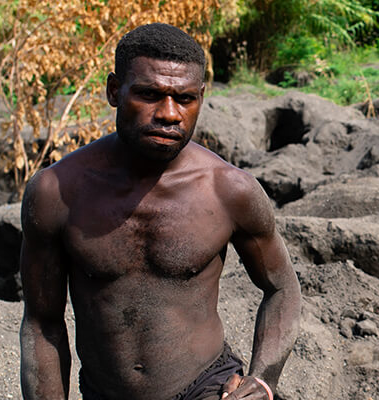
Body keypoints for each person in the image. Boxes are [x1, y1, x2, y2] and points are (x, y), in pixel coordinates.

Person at [19, 23, 300, 400]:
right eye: (150, 94)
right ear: (114, 91)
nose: (169, 114)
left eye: (184, 99)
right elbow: (42, 323)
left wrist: (263, 380)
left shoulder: (229, 190)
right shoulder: (57, 192)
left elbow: (282, 287)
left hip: (207, 387)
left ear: (201, 96)